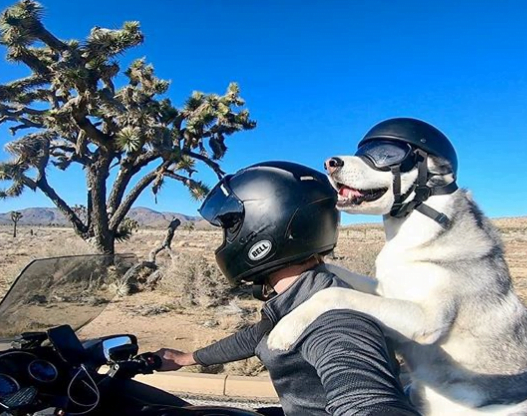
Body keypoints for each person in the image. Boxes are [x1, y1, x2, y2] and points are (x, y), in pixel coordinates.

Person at [154, 161, 420, 416]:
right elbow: (257, 337)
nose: (226, 240)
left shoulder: (335, 318)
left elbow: (367, 397)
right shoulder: (297, 298)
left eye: (229, 229)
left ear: (264, 227)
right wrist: (186, 358)